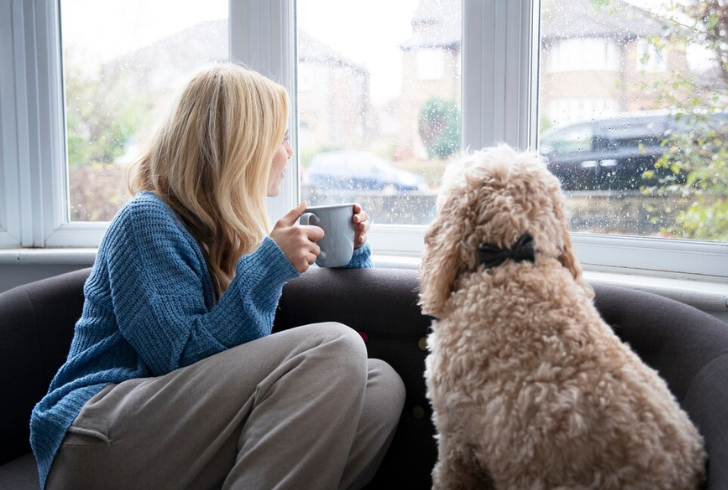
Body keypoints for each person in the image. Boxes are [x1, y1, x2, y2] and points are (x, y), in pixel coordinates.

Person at [30, 63, 406, 490]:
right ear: (242, 146)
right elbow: (177, 361)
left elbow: (241, 363)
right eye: (280, 138)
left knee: (379, 386)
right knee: (335, 345)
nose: (288, 152)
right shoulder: (146, 220)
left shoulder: (227, 233)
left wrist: (350, 253)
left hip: (174, 432)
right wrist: (268, 268)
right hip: (96, 437)